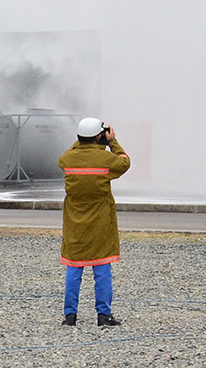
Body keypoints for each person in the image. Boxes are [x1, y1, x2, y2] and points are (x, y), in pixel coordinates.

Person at [58, 118, 130, 327]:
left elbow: (64, 157)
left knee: (74, 268)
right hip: (100, 222)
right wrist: (112, 142)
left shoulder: (68, 159)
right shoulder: (105, 159)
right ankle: (103, 315)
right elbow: (124, 161)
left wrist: (82, 142)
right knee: (102, 269)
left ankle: (70, 316)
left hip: (74, 223)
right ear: (100, 136)